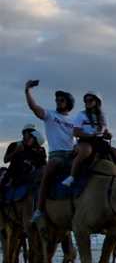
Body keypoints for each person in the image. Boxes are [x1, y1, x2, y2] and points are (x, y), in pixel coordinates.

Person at [25, 80, 77, 222]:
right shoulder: (50, 115)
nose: (58, 102)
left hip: (72, 154)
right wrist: (27, 91)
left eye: (61, 100)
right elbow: (34, 107)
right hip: (57, 155)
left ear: (68, 103)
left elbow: (80, 136)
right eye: (57, 100)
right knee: (47, 174)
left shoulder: (74, 120)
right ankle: (40, 209)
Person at [61, 91, 116, 187]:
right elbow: (76, 132)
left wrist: (107, 134)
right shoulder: (81, 115)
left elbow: (104, 130)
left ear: (97, 102)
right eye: (86, 101)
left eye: (90, 100)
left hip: (99, 142)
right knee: (86, 151)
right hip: (85, 141)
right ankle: (71, 177)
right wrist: (89, 135)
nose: (87, 102)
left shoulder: (102, 116)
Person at [1, 125, 47, 190]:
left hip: (31, 173)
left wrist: (40, 154)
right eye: (28, 132)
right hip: (15, 173)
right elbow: (5, 160)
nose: (29, 135)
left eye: (32, 133)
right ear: (24, 133)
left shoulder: (38, 148)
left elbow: (43, 164)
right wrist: (15, 151)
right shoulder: (15, 145)